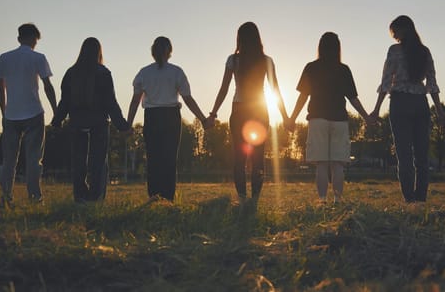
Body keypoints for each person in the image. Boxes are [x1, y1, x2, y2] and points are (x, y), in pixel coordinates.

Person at [207, 22, 290, 206]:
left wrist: (213, 113)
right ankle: (254, 199)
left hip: (239, 111)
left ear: (240, 39)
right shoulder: (267, 60)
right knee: (258, 157)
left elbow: (224, 89)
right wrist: (285, 117)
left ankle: (243, 198)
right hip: (259, 111)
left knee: (239, 156)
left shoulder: (233, 60)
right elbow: (275, 90)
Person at [288, 32, 371, 204]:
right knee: (338, 164)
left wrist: (292, 117)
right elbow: (353, 99)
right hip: (339, 120)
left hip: (317, 119)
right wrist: (366, 117)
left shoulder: (311, 67)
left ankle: (323, 200)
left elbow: (303, 96)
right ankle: (338, 200)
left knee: (322, 164)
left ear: (320, 47)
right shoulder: (343, 69)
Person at [371, 15, 444, 204]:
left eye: (395, 31)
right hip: (420, 103)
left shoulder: (394, 51)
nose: (394, 35)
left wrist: (377, 108)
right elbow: (432, 83)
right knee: (422, 155)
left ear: (403, 29)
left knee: (403, 154)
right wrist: (440, 110)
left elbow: (386, 81)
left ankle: (409, 199)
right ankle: (421, 198)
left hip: (400, 102)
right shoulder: (424, 52)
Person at [127, 36, 210, 202]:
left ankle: (154, 196)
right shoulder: (176, 72)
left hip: (152, 117)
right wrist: (203, 119)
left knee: (153, 158)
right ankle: (168, 197)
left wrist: (128, 124)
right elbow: (188, 99)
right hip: (171, 117)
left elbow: (135, 100)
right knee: (169, 158)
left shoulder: (144, 73)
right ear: (169, 52)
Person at [51, 37, 130, 203]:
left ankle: (80, 196)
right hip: (98, 123)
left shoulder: (71, 73)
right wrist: (121, 124)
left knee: (79, 161)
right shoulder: (103, 73)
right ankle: (96, 197)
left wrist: (57, 120)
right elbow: (110, 102)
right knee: (99, 162)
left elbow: (64, 101)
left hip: (77, 122)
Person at [0, 23, 57, 208]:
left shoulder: (4, 58)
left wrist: (3, 112)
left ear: (19, 38)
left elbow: (0, 88)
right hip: (34, 113)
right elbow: (47, 86)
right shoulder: (38, 58)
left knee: (9, 160)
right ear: (33, 39)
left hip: (11, 114)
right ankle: (35, 198)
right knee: (34, 159)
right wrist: (56, 110)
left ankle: (6, 197)